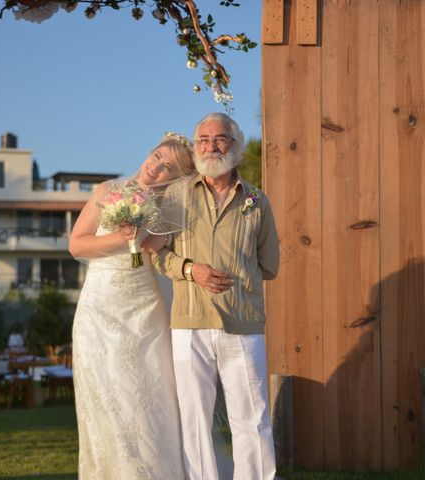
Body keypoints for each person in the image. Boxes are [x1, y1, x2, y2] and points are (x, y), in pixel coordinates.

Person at [153, 113, 280, 479]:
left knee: (252, 418)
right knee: (194, 420)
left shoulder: (257, 200)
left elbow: (270, 265)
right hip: (189, 323)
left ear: (235, 145)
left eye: (220, 138)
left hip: (244, 324)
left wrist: (238, 274)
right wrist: (193, 270)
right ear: (195, 147)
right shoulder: (174, 196)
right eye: (204, 139)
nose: (212, 145)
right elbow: (157, 253)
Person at [69, 133, 195, 479]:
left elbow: (170, 252)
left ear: (177, 177)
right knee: (103, 396)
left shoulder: (176, 208)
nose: (153, 167)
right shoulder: (107, 191)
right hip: (99, 308)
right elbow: (77, 245)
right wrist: (122, 237)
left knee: (146, 395)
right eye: (155, 156)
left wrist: (151, 238)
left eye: (166, 166)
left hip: (144, 311)